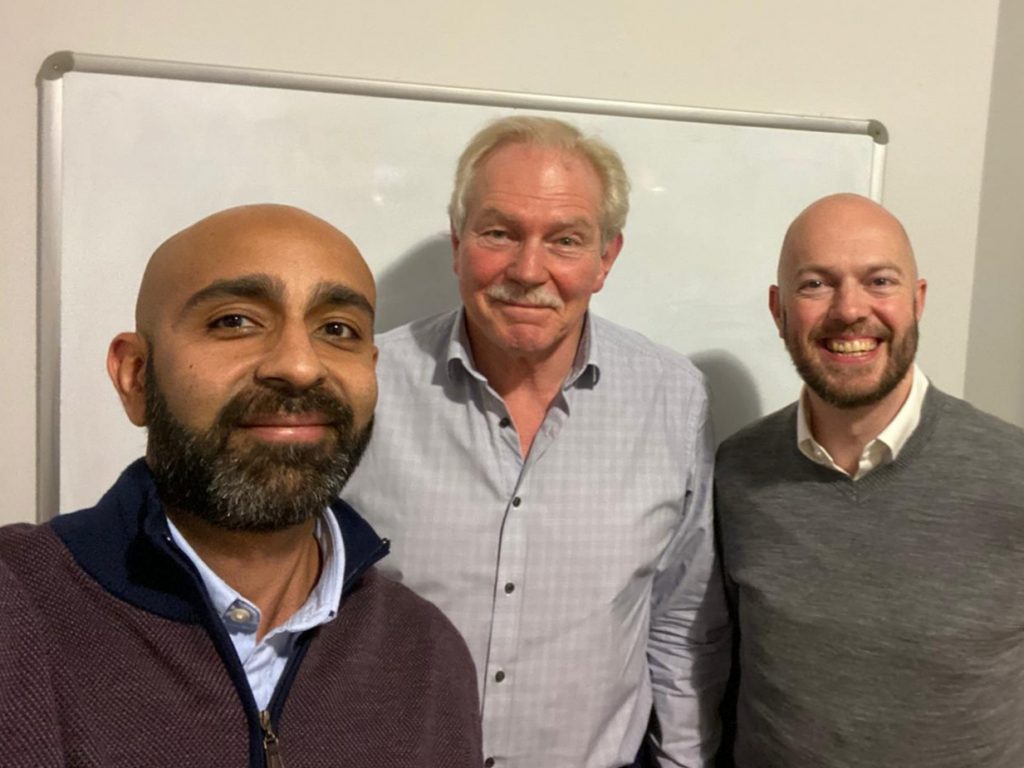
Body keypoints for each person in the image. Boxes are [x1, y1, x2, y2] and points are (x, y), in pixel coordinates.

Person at [0, 204, 481, 767]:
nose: (301, 366)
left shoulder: (425, 653)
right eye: (235, 321)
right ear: (134, 375)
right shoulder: (16, 611)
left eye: (337, 330)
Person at [343, 116, 732, 767]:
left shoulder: (673, 400)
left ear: (606, 259)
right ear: (458, 243)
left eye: (566, 240)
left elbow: (682, 618)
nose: (529, 269)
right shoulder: (364, 387)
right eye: (499, 233)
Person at [715, 193, 1024, 767]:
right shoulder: (736, 476)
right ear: (778, 309)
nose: (850, 310)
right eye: (815, 284)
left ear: (918, 300)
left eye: (879, 281)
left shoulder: (1014, 474)